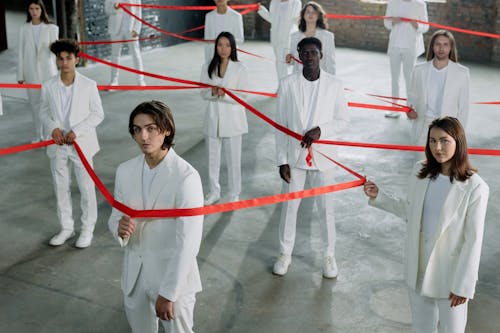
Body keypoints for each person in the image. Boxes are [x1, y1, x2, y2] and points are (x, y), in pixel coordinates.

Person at [364, 117, 489, 333]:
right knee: (421, 328)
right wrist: (380, 196)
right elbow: (410, 211)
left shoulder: (475, 188)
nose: (437, 147)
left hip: (450, 277)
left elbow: (473, 240)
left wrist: (464, 286)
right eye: (432, 141)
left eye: (444, 141)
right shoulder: (420, 172)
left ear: (458, 142)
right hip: (418, 269)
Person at [108, 101, 204, 333]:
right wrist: (118, 229)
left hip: (172, 282)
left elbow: (188, 242)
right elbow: (115, 216)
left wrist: (169, 293)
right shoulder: (125, 171)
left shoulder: (186, 177)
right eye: (137, 129)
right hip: (135, 278)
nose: (143, 136)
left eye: (151, 128)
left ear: (167, 129)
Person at [274, 37, 349, 278]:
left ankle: (329, 255)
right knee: (290, 208)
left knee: (326, 209)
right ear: (298, 55)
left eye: (313, 53)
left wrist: (321, 131)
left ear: (321, 55)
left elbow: (343, 120)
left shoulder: (334, 85)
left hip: (324, 158)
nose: (309, 57)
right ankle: (285, 254)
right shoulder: (287, 84)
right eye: (304, 53)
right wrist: (281, 159)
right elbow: (280, 124)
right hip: (295, 157)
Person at [40, 39, 104, 248]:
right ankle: (66, 228)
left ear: (76, 60)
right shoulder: (48, 85)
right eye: (61, 58)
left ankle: (87, 229)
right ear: (56, 61)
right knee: (61, 187)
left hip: (81, 144)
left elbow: (97, 114)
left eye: (69, 58)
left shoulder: (89, 85)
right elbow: (44, 111)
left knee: (86, 187)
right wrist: (53, 129)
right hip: (58, 144)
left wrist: (77, 131)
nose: (65, 62)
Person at [200, 32, 248, 205]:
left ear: (233, 47)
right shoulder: (207, 66)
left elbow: (243, 96)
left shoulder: (240, 68)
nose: (223, 49)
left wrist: (225, 94)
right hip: (213, 119)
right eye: (220, 44)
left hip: (233, 121)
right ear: (216, 47)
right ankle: (214, 191)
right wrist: (212, 92)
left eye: (227, 45)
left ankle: (234, 192)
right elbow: (202, 92)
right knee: (212, 159)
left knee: (234, 159)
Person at [407, 30, 470, 146]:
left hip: (448, 129)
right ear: (432, 47)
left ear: (451, 47)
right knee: (420, 163)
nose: (441, 48)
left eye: (445, 44)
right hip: (423, 127)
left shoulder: (462, 73)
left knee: (444, 164)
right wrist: (409, 111)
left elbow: (464, 108)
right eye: (438, 44)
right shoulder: (419, 70)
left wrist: (459, 134)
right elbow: (412, 97)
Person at [17, 0, 59, 142]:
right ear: (28, 11)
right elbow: (21, 53)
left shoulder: (52, 28)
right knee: (35, 105)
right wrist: (20, 74)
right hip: (31, 73)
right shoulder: (24, 29)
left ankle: (49, 134)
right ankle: (37, 134)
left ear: (42, 10)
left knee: (49, 105)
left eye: (37, 8)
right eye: (31, 8)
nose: (34, 11)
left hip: (48, 73)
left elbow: (57, 53)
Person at [383, 0, 428, 118]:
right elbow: (386, 23)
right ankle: (394, 108)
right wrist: (392, 21)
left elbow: (426, 26)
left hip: (410, 47)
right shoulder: (392, 3)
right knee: (394, 78)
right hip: (395, 46)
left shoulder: (420, 4)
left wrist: (417, 25)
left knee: (410, 79)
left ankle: (410, 108)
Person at [287, 1, 335, 75]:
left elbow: (330, 62)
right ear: (303, 15)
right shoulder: (294, 36)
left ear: (318, 16)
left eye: (314, 12)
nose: (311, 14)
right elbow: (293, 62)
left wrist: (331, 81)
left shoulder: (328, 36)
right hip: (299, 79)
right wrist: (289, 58)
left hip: (320, 78)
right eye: (308, 12)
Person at [105, 0, 146, 86]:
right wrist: (114, 8)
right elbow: (107, 10)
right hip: (116, 28)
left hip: (131, 28)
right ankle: (114, 81)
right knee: (115, 55)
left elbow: (138, 11)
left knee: (136, 54)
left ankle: (140, 80)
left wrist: (137, 29)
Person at [257, 0, 302, 79]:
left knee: (288, 63)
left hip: (289, 38)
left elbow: (295, 21)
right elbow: (272, 19)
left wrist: (303, 19)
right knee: (279, 63)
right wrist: (262, 11)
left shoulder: (296, 2)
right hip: (276, 38)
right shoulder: (274, 2)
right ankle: (281, 85)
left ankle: (287, 87)